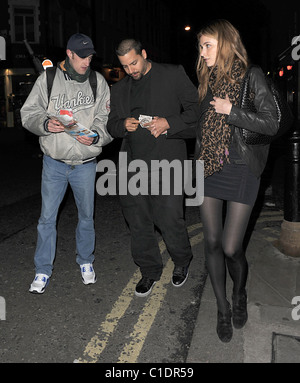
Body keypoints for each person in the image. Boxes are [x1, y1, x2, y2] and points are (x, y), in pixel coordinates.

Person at [194, 19, 279, 342]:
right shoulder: (207, 79)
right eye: (200, 47)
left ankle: (239, 292)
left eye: (207, 45)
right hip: (209, 165)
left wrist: (233, 111)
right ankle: (222, 308)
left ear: (226, 43)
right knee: (212, 242)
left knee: (231, 248)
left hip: (242, 167)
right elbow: (199, 124)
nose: (202, 53)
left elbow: (272, 123)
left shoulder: (252, 76)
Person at [21, 33, 112, 294]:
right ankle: (42, 270)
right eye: (82, 56)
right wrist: (44, 124)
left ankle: (85, 262)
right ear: (69, 54)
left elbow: (106, 118)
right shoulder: (47, 79)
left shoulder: (98, 81)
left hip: (85, 163)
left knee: (86, 217)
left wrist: (96, 136)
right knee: (46, 219)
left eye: (90, 56)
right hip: (55, 163)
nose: (87, 61)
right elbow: (29, 112)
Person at [107, 39, 199, 297]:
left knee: (170, 219)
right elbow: (111, 125)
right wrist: (122, 124)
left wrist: (169, 122)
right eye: (125, 66)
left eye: (134, 63)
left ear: (144, 54)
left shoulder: (172, 74)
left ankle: (181, 261)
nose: (131, 70)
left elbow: (197, 110)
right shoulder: (120, 88)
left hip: (167, 161)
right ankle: (149, 270)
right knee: (137, 222)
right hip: (132, 164)